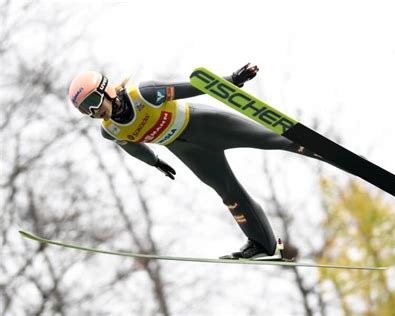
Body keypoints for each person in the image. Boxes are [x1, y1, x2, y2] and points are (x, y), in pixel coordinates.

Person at [68, 64, 323, 260]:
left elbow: (192, 86)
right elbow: (134, 149)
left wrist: (233, 81)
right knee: (228, 193)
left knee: (267, 139)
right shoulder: (110, 130)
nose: (93, 112)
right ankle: (264, 246)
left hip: (205, 126)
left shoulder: (144, 95)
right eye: (84, 110)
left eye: (92, 102)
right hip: (188, 151)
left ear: (107, 90)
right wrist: (155, 162)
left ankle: (315, 149)